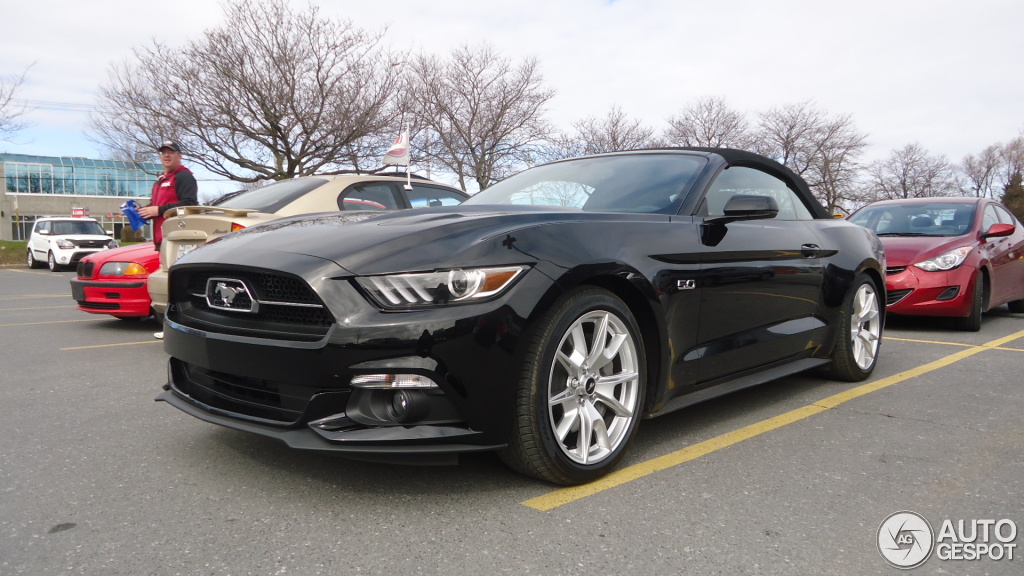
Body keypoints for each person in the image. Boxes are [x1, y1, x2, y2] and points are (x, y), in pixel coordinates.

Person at [139, 140, 198, 338]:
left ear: (179, 156)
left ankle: (181, 327)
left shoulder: (183, 177)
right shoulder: (160, 180)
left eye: (171, 152)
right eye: (163, 152)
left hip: (177, 239)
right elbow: (158, 205)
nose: (166, 155)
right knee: (168, 283)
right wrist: (144, 211)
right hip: (161, 238)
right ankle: (172, 326)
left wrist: (159, 210)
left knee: (178, 283)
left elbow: (190, 204)